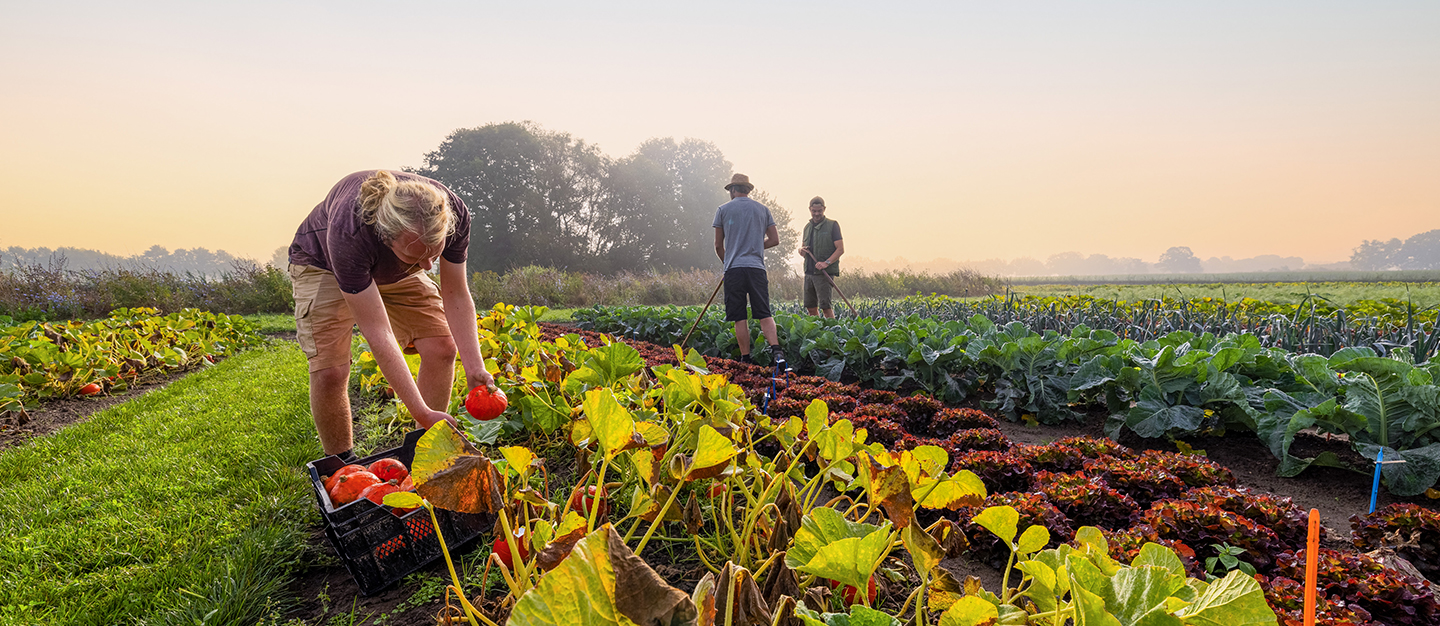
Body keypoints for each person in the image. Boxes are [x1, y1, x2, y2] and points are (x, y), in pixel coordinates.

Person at [288, 170, 495, 462]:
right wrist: (420, 411)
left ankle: (422, 456)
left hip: (395, 268)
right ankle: (342, 469)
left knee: (441, 346)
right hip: (322, 264)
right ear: (386, 237)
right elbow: (378, 332)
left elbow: (456, 293)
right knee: (330, 370)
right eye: (416, 257)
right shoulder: (351, 233)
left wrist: (475, 367)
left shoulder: (452, 214)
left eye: (433, 254)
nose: (427, 267)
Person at [713, 173, 789, 371]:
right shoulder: (763, 210)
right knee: (764, 312)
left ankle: (746, 359)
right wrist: (755, 245)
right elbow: (774, 240)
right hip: (756, 268)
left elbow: (718, 245)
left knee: (740, 316)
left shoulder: (722, 210)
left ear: (732, 190)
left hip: (734, 269)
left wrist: (727, 262)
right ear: (748, 190)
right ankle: (777, 353)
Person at [798, 196, 845, 318]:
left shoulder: (832, 225)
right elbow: (804, 249)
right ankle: (816, 331)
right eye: (814, 211)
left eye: (819, 211)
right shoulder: (807, 227)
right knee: (811, 307)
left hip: (823, 273)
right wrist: (801, 250)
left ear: (824, 209)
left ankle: (832, 332)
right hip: (809, 272)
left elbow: (840, 249)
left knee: (825, 307)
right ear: (810, 209)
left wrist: (826, 262)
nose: (817, 214)